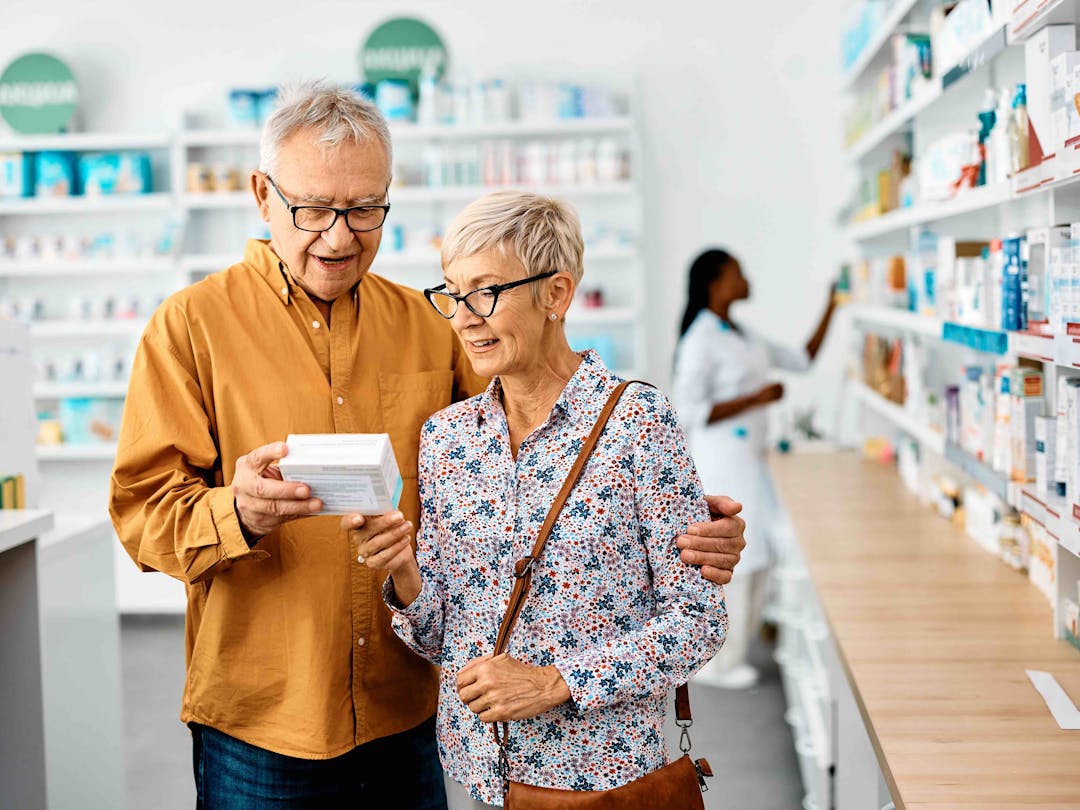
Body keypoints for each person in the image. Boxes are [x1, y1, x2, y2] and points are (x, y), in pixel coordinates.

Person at [108, 82, 747, 808]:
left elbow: (527, 455)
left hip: (407, 714)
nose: (341, 236)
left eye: (365, 209)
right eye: (315, 208)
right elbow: (141, 518)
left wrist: (685, 531)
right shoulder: (190, 327)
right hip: (264, 721)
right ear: (262, 195)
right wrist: (238, 512)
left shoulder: (428, 321)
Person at [348, 191, 728, 809]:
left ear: (556, 294)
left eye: (486, 291)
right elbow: (443, 635)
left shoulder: (638, 422)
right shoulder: (447, 439)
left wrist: (556, 683)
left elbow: (699, 622)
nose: (464, 317)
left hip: (602, 781)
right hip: (480, 775)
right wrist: (403, 569)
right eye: (451, 293)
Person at [672, 248, 837, 690]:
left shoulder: (742, 333)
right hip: (722, 458)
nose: (747, 279)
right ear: (715, 282)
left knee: (759, 549)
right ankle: (717, 663)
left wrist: (833, 305)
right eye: (737, 273)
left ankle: (734, 649)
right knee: (734, 558)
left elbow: (802, 359)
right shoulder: (701, 339)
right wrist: (756, 399)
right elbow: (687, 408)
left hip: (750, 458)